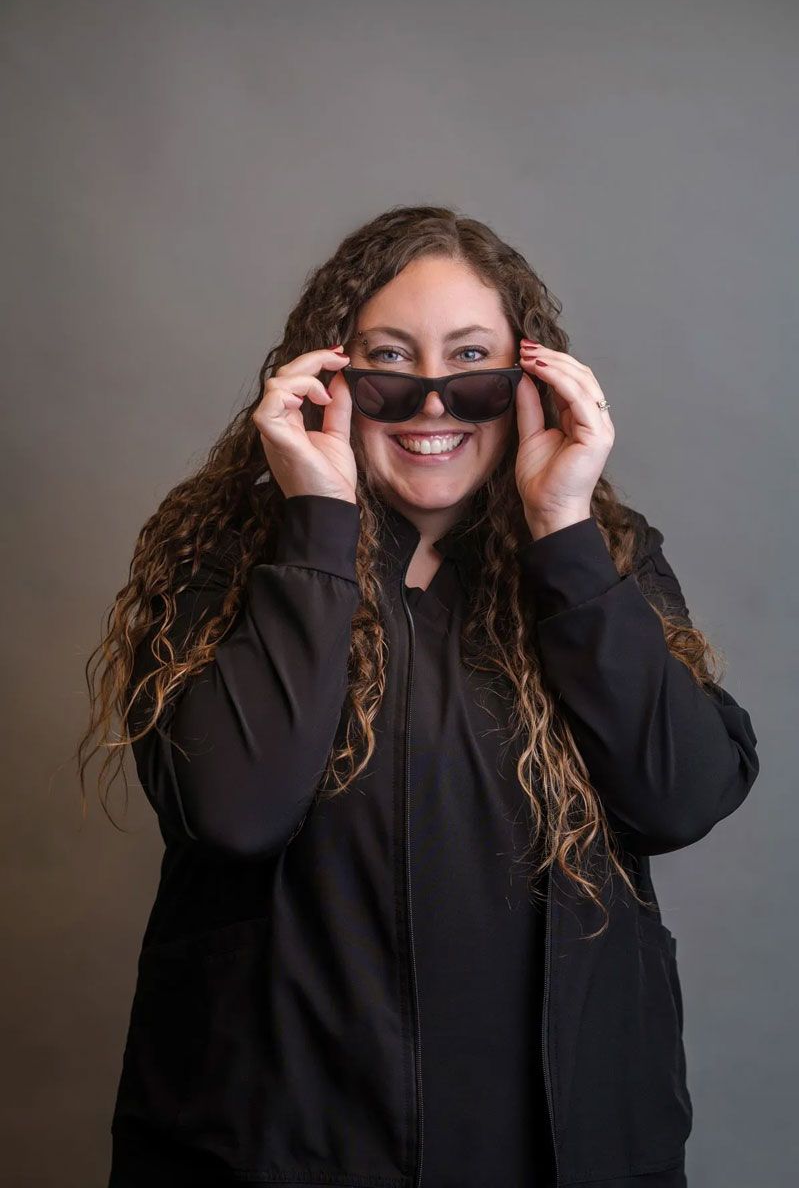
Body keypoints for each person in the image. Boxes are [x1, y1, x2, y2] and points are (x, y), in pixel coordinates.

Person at [79, 204, 759, 1188]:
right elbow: (234, 812)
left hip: (557, 1150)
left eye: (472, 362)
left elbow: (679, 795)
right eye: (389, 362)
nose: (432, 404)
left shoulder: (598, 557)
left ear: (529, 381)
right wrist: (317, 522)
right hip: (278, 1148)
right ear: (327, 378)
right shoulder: (226, 558)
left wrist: (562, 532)